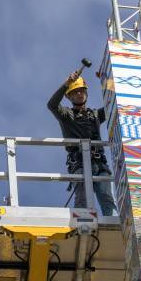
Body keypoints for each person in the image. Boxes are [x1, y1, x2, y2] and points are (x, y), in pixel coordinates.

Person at [47, 71, 117, 216]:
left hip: (100, 163)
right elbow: (52, 105)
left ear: (86, 93)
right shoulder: (67, 115)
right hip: (79, 164)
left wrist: (106, 82)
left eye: (82, 91)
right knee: (83, 197)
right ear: (69, 96)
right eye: (75, 92)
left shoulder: (95, 115)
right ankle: (81, 222)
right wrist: (67, 83)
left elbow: (116, 102)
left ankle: (114, 224)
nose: (79, 94)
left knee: (106, 196)